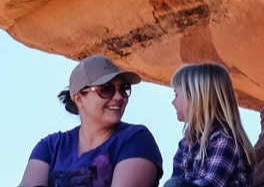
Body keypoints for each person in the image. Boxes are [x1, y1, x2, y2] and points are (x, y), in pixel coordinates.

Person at [20, 55, 162, 187]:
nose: (119, 97)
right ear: (79, 98)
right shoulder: (50, 146)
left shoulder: (136, 139)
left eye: (124, 89)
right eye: (107, 89)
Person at [163, 63, 256, 187]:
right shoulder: (185, 144)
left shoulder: (224, 140)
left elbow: (210, 184)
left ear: (197, 97)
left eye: (176, 95)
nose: (173, 102)